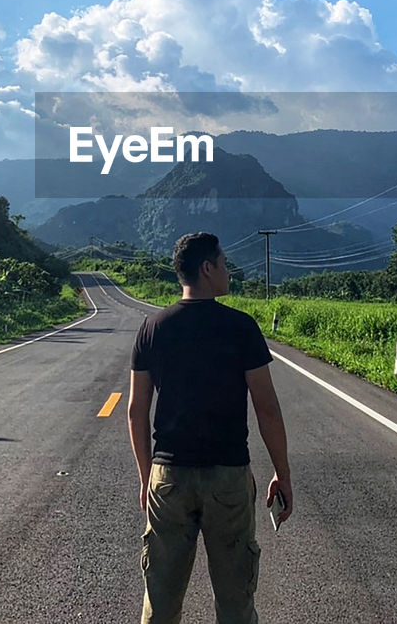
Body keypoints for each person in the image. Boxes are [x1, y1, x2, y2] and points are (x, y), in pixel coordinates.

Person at [128, 232, 293, 624]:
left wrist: (145, 476)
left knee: (161, 603)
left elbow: (136, 411)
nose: (228, 271)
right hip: (229, 478)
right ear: (207, 268)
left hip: (168, 477)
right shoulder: (241, 327)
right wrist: (282, 475)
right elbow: (267, 408)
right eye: (223, 263)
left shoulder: (153, 328)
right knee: (236, 603)